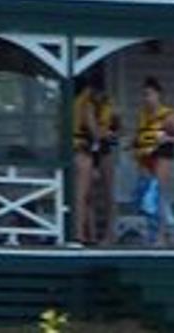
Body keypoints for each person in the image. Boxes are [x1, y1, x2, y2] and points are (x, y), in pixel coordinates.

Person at [132, 76, 174, 245]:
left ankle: (161, 236)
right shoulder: (142, 115)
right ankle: (157, 229)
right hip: (146, 155)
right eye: (144, 95)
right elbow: (139, 135)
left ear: (158, 95)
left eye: (150, 94)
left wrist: (166, 138)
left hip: (163, 153)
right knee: (144, 194)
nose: (147, 98)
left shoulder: (168, 115)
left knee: (157, 193)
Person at [71, 71, 119, 244]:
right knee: (86, 194)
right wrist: (106, 133)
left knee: (100, 194)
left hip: (100, 150)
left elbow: (116, 127)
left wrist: (110, 133)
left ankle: (101, 234)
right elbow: (95, 132)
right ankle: (83, 233)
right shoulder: (86, 104)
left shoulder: (104, 104)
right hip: (87, 148)